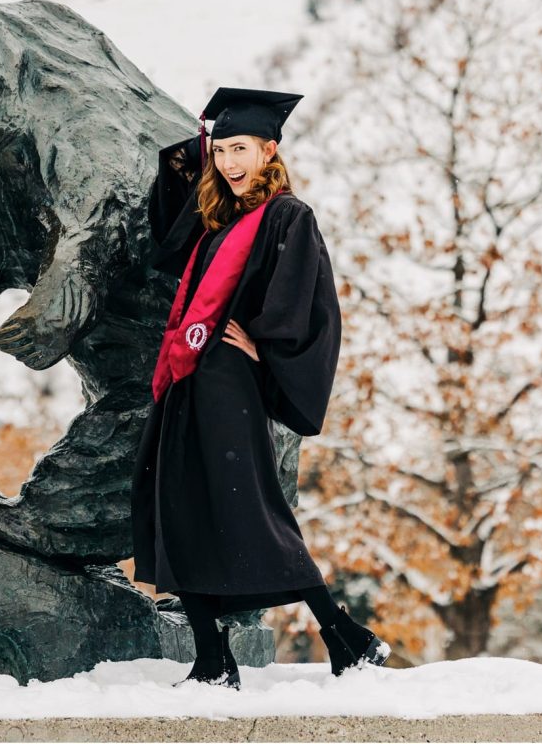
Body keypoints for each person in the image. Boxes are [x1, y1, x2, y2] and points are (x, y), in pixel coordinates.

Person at [130, 87, 391, 689]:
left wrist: (264, 351)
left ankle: (343, 633)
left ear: (269, 149)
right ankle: (212, 658)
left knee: (247, 508)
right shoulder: (218, 218)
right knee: (181, 505)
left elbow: (306, 301)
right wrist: (191, 149)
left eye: (240, 148)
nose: (227, 161)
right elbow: (166, 241)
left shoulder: (286, 216)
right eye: (220, 150)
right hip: (190, 376)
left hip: (228, 384)